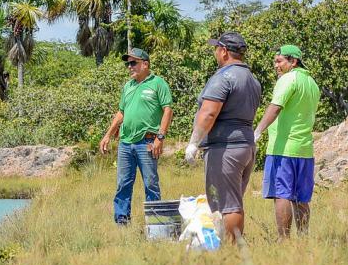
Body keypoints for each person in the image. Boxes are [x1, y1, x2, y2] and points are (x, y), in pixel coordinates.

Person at [184, 31, 262, 244]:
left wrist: (193, 143)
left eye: (216, 48)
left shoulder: (224, 77)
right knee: (234, 201)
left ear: (224, 51)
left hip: (226, 147)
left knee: (227, 205)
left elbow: (209, 113)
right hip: (245, 145)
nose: (215, 53)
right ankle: (232, 246)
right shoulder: (252, 79)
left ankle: (229, 251)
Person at [99, 46, 174, 225]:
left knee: (150, 183)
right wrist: (107, 135)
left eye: (133, 63)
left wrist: (160, 138)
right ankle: (122, 221)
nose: (129, 67)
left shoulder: (158, 83)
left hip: (147, 142)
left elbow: (168, 110)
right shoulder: (128, 86)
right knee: (123, 184)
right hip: (125, 143)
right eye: (128, 63)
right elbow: (121, 113)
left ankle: (155, 223)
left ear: (145, 64)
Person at [255, 44, 321, 237]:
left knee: (281, 194)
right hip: (304, 149)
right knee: (301, 198)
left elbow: (275, 107)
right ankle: (303, 238)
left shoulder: (287, 79)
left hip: (283, 148)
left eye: (279, 61)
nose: (276, 66)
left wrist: (257, 132)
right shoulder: (311, 83)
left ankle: (284, 241)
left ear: (293, 61)